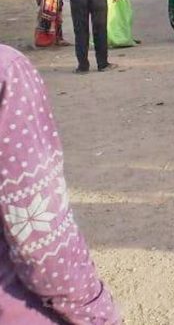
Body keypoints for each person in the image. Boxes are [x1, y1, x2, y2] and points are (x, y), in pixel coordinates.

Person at [0, 44, 121, 323]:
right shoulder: (8, 71)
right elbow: (38, 232)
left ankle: (96, 62)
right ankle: (87, 62)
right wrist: (95, 311)